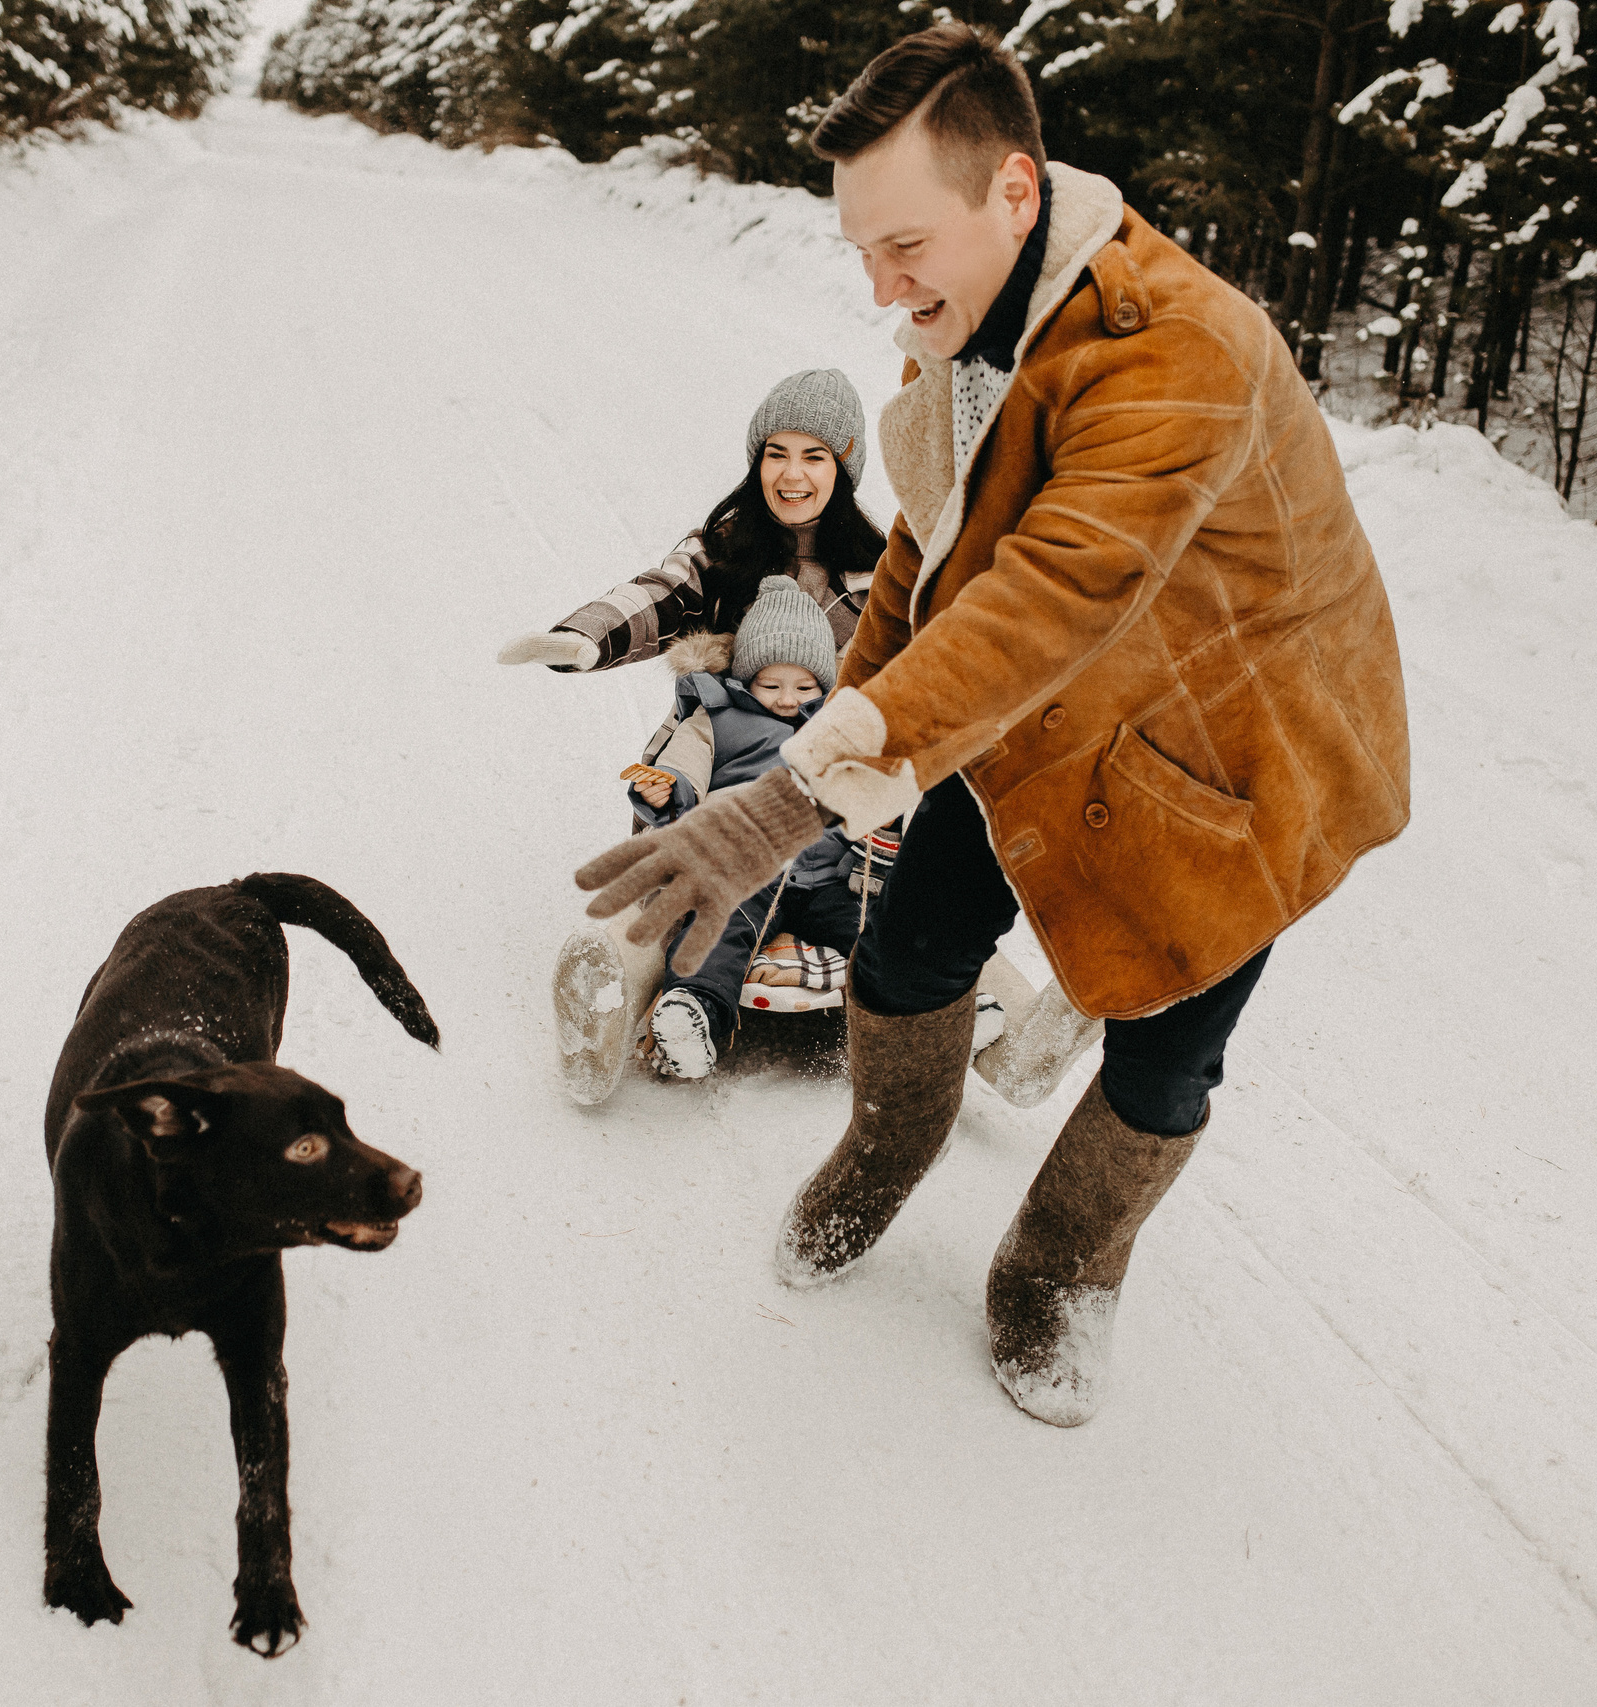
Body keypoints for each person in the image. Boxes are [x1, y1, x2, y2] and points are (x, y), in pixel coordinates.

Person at [574, 24, 1411, 1427]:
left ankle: (1060, 1266)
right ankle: (886, 1148)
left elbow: (1055, 590)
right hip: (1035, 699)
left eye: (904, 245)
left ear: (1013, 191)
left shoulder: (1179, 347)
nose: (883, 288)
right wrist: (827, 746)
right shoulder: (982, 322)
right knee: (908, 942)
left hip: (1238, 749)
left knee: (1165, 1040)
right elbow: (940, 551)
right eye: (862, 253)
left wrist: (787, 804)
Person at [627, 578, 879, 1080]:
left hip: (829, 874)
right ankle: (694, 1011)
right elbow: (685, 762)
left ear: (824, 684)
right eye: (771, 684)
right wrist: (667, 787)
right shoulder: (716, 718)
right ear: (745, 678)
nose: (788, 699)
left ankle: (932, 1018)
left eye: (805, 686)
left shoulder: (838, 727)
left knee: (877, 931)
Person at [495, 368, 884, 677]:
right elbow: (661, 595)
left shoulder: (880, 574)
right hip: (711, 762)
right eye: (777, 454)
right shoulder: (723, 550)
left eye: (814, 457)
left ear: (842, 471)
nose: (792, 474)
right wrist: (590, 634)